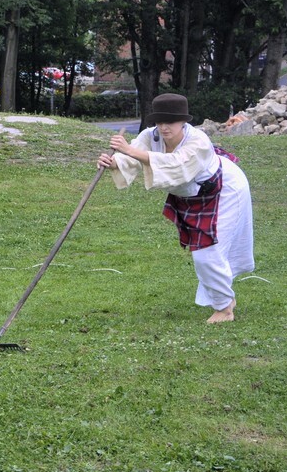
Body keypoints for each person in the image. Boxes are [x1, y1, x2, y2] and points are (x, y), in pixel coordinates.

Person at [97, 93, 255, 324]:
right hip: (192, 197)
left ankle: (224, 308)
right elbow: (132, 159)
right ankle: (225, 301)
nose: (163, 127)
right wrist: (114, 162)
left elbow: (176, 164)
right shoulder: (150, 136)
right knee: (206, 252)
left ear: (183, 121)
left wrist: (129, 151)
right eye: (159, 121)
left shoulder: (197, 140)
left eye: (169, 122)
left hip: (225, 190)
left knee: (207, 253)